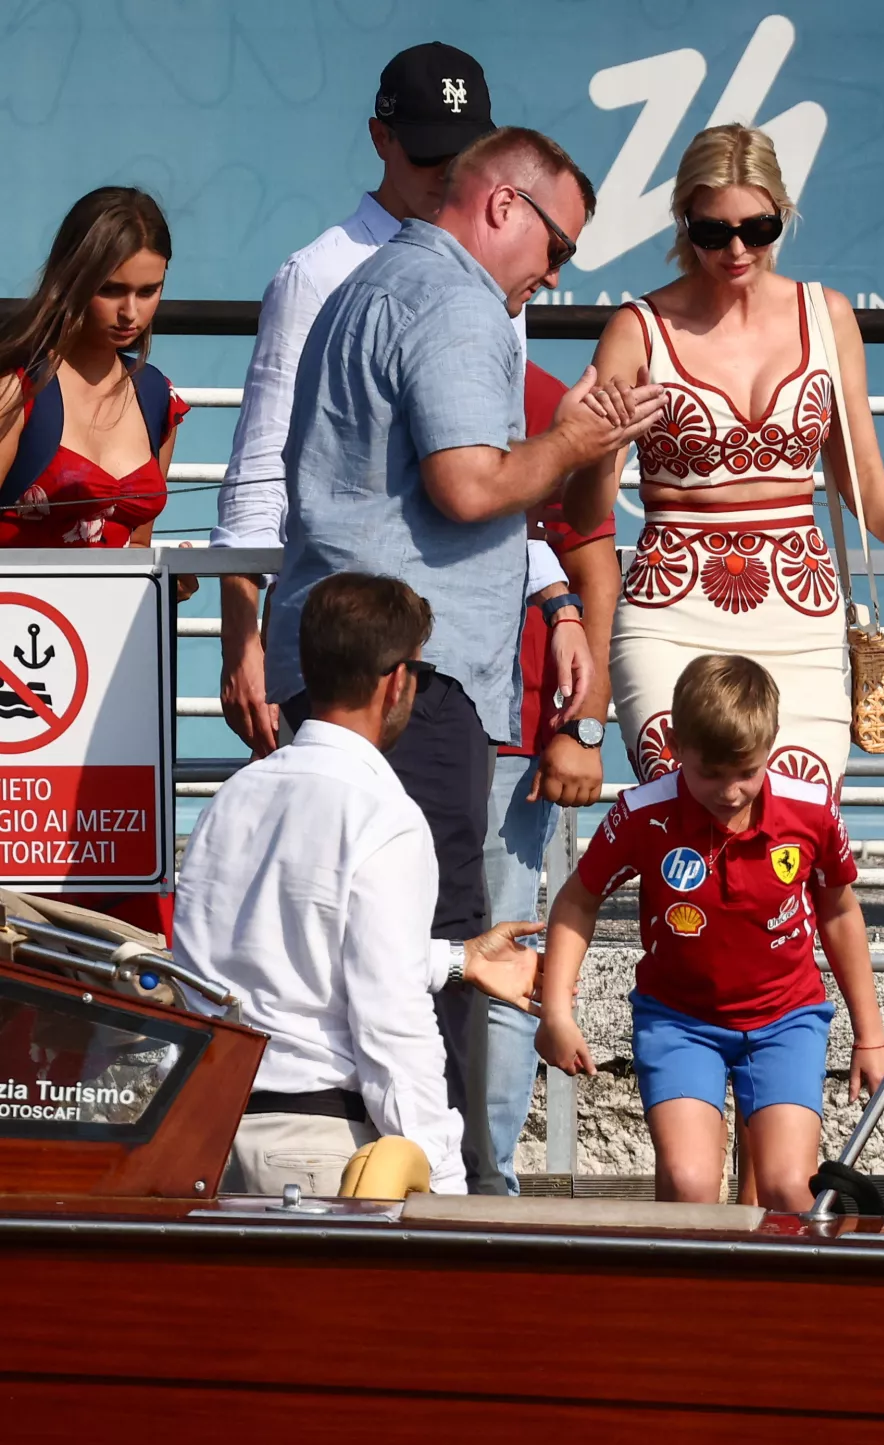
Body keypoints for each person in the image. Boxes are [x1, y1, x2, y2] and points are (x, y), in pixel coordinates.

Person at [266, 125, 667, 1193]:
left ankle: (362, 1169)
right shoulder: (449, 298)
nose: (554, 273)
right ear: (502, 208)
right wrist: (580, 442)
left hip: (359, 653)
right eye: (560, 247)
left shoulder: (375, 279)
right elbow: (471, 487)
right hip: (412, 673)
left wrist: (556, 592)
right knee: (427, 933)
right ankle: (424, 1193)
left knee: (352, 918)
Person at [563, 123, 884, 794]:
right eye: (713, 232)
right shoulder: (637, 329)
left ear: (784, 213)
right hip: (669, 621)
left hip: (799, 624)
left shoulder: (827, 316)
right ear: (683, 222)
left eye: (759, 227)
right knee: (687, 823)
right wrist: (598, 445)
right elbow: (585, 513)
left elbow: (861, 475)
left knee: (794, 834)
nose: (737, 248)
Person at [214, 40, 570, 758]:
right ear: (380, 139)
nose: (446, 176)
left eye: (464, 156)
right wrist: (240, 638)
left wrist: (554, 599)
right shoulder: (315, 274)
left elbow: (491, 460)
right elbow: (262, 470)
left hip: (462, 652)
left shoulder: (497, 272)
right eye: (427, 155)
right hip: (347, 659)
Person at [173, 571, 546, 1197]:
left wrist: (457, 961)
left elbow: (269, 955)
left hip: (206, 1130)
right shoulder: (385, 817)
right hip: (321, 1147)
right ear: (398, 681)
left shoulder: (233, 797)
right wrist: (446, 1186)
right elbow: (390, 1020)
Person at [536, 654, 884, 1211]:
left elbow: (837, 911)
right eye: (710, 773)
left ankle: (774, 1298)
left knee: (788, 1190)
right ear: (677, 745)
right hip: (680, 1021)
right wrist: (557, 1012)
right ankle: (678, 1296)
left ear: (771, 745)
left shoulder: (810, 811)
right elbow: (577, 900)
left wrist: (871, 1035)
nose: (730, 791)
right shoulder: (644, 814)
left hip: (786, 1019)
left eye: (746, 772)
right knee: (690, 1184)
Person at [0, 185, 192, 939]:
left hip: (114, 695)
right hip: (20, 698)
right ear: (72, 278)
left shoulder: (156, 401)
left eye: (148, 290)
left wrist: (154, 592)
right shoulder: (19, 387)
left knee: (117, 917)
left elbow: (138, 545)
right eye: (111, 288)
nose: (130, 312)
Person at [485, 358, 620, 1194]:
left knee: (502, 967)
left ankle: (486, 1182)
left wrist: (582, 723)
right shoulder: (380, 363)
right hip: (382, 725)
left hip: (515, 738)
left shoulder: (542, 392)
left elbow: (589, 561)